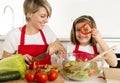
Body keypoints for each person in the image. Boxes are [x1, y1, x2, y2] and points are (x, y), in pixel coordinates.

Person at [2, 0, 66, 69]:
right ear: (29, 14)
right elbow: (3, 63)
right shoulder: (14, 35)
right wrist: (18, 59)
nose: (46, 21)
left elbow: (62, 50)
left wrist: (56, 47)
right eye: (42, 16)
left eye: (47, 16)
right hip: (24, 78)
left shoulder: (47, 30)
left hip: (46, 77)